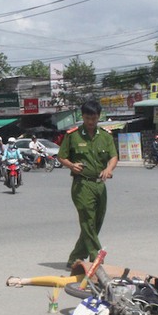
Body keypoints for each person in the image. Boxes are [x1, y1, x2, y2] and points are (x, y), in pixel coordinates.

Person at [57, 100, 118, 269]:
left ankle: (75, 258)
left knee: (96, 222)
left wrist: (109, 168)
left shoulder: (105, 136)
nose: (90, 122)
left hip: (100, 185)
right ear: (82, 117)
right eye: (87, 118)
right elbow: (61, 156)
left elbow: (113, 156)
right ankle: (96, 256)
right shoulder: (73, 135)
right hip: (82, 185)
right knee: (87, 221)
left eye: (94, 118)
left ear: (99, 117)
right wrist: (71, 165)